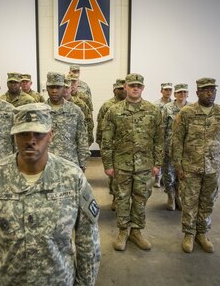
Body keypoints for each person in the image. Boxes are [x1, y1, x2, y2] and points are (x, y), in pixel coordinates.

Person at [0, 103, 100, 285]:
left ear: (51, 135)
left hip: (58, 279)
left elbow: (88, 241)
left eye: (38, 134)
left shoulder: (72, 177)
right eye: (23, 133)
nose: (31, 140)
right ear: (14, 136)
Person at [101, 73, 163, 251]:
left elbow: (159, 139)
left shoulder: (153, 110)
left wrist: (157, 163)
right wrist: (108, 165)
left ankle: (136, 231)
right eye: (132, 85)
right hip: (122, 164)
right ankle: (122, 231)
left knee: (141, 198)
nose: (135, 88)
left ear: (143, 88)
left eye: (139, 85)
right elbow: (106, 140)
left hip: (145, 164)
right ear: (125, 87)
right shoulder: (114, 110)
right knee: (121, 198)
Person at [172, 77, 220, 254]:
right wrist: (178, 166)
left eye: (213, 90)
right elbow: (177, 141)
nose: (210, 93)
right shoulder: (186, 113)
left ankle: (202, 233)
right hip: (190, 167)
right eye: (206, 90)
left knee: (207, 202)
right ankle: (189, 234)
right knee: (189, 202)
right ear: (197, 92)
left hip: (213, 167)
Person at [45, 72, 90, 171]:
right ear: (47, 88)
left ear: (63, 88)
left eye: (58, 87)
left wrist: (82, 164)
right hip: (46, 165)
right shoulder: (40, 111)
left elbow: (82, 139)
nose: (54, 91)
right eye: (51, 87)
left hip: (70, 164)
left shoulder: (75, 111)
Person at [96, 78, 127, 211]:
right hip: (112, 146)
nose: (122, 91)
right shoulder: (107, 105)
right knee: (114, 175)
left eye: (123, 88)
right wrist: (100, 143)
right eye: (119, 88)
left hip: (126, 147)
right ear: (114, 90)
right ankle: (115, 197)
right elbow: (100, 126)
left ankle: (124, 198)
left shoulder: (130, 104)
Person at [162, 83, 190, 211]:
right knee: (168, 172)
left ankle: (178, 195)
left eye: (184, 92)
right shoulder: (167, 108)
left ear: (187, 94)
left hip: (186, 148)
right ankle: (171, 196)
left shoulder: (192, 108)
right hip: (169, 146)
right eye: (179, 92)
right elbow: (161, 127)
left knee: (182, 173)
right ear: (175, 94)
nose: (182, 94)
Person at [64, 75, 94, 147]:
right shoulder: (60, 100)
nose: (72, 84)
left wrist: (87, 142)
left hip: (79, 138)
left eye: (74, 82)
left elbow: (89, 120)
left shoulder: (83, 99)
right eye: (70, 82)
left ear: (78, 83)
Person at [153, 82, 173, 188]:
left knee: (168, 159)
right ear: (161, 91)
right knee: (159, 155)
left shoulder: (175, 104)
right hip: (159, 133)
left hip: (169, 135)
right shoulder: (156, 105)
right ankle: (157, 178)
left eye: (170, 90)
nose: (168, 92)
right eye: (166, 90)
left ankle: (166, 178)